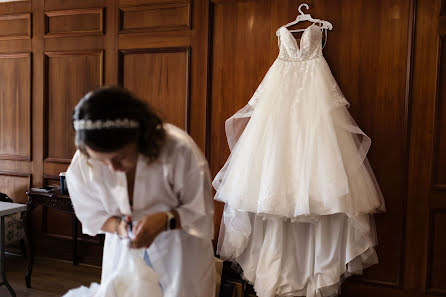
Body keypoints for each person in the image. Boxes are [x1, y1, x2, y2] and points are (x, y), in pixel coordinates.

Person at [65, 86, 216, 297]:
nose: (113, 168)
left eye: (121, 157)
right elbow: (92, 214)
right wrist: (119, 226)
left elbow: (200, 210)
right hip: (123, 252)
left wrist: (166, 219)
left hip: (180, 252)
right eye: (102, 161)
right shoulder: (84, 161)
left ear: (141, 138)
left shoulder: (177, 149)